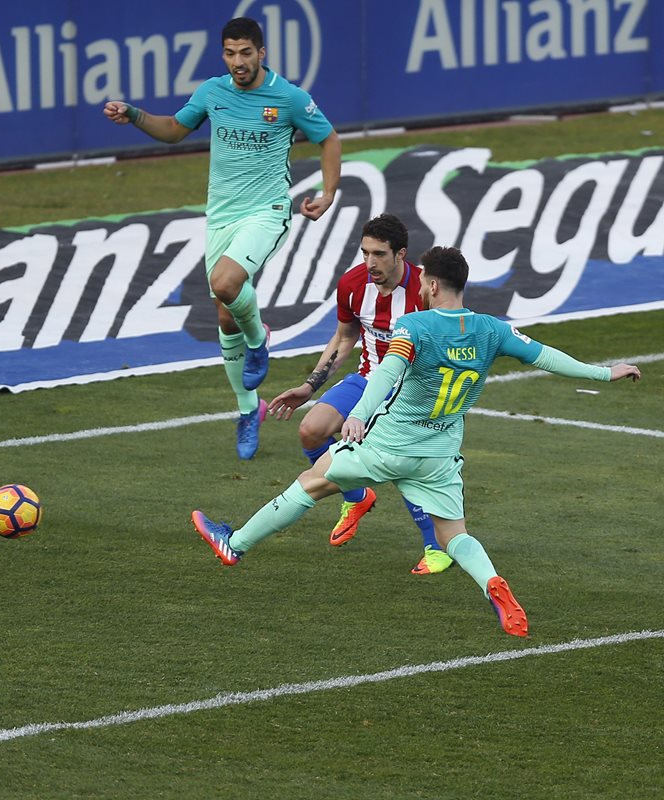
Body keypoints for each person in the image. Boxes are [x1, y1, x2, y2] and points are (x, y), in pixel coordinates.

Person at [192, 246, 641, 637]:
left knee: (313, 481)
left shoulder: (415, 326)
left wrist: (359, 416)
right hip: (439, 455)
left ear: (429, 282)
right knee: (454, 536)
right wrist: (605, 372)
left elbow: (386, 372)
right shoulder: (492, 329)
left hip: (388, 444)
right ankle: (491, 584)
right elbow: (548, 357)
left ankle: (236, 543)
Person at [103, 16, 341, 460]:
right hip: (221, 217)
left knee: (226, 284)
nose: (238, 62)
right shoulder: (213, 92)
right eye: (230, 53)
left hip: (267, 212)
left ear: (261, 53)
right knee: (225, 313)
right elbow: (174, 130)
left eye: (245, 53)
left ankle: (259, 342)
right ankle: (250, 409)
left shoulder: (288, 97)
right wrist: (134, 115)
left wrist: (327, 193)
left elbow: (328, 139)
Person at [266, 214, 451, 575]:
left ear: (401, 255)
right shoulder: (353, 283)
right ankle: (357, 497)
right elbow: (345, 337)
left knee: (401, 464)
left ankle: (436, 545)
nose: (370, 263)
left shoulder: (427, 290)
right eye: (365, 253)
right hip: (367, 378)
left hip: (412, 391)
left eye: (379, 254)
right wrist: (310, 386)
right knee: (311, 430)